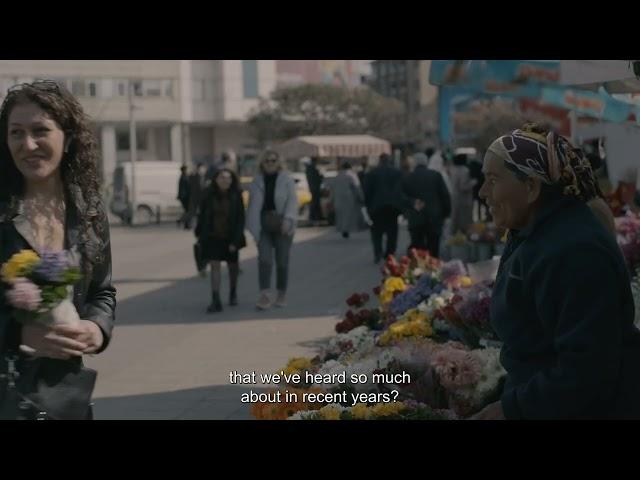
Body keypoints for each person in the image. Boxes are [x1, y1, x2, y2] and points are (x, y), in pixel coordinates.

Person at [471, 123, 640, 420]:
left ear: (531, 187)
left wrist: (512, 408)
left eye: (493, 180)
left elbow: (587, 370)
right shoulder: (533, 232)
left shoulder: (575, 251)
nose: (483, 192)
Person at [0, 80, 116, 420]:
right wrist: (17, 333)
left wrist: (97, 329)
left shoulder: (88, 210)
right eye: (16, 133)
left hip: (65, 398)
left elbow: (102, 292)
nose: (28, 144)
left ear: (68, 139)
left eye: (40, 131)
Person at [246, 150, 297, 310]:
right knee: (264, 260)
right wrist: (252, 226)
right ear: (262, 163)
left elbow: (292, 201)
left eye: (273, 160)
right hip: (263, 224)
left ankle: (281, 293)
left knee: (282, 261)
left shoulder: (287, 180)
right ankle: (265, 295)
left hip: (282, 222)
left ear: (278, 162)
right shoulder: (256, 181)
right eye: (267, 161)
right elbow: (252, 206)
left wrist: (288, 219)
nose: (270, 163)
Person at [195, 169, 246, 313]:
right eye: (222, 177)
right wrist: (199, 233)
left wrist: (235, 241)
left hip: (231, 237)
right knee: (215, 266)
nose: (225, 180)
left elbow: (240, 219)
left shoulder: (236, 195)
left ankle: (233, 292)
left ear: (232, 180)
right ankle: (215, 299)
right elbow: (202, 215)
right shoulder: (208, 195)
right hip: (213, 237)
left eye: (228, 178)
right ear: (216, 180)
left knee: (233, 267)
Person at [401, 153, 451, 257]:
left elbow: (401, 197)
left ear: (414, 163)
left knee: (418, 249)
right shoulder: (436, 175)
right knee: (433, 247)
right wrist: (446, 213)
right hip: (434, 217)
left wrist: (412, 203)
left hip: (415, 218)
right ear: (426, 162)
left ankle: (420, 265)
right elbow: (445, 196)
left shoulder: (408, 176)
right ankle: (433, 264)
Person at [363, 153, 404, 264]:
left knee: (376, 232)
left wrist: (367, 206)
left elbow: (367, 191)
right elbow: (402, 190)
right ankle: (390, 254)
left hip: (376, 207)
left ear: (379, 161)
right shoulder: (397, 172)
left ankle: (378, 253)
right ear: (389, 160)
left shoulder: (372, 173)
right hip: (392, 207)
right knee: (392, 232)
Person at [330, 161, 364, 239]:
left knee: (341, 215)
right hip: (349, 199)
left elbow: (332, 189)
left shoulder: (337, 176)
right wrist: (361, 197)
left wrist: (331, 200)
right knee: (348, 216)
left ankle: (343, 229)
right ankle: (347, 229)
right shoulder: (352, 175)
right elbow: (357, 187)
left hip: (338, 199)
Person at [449, 153, 476, 235]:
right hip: (463, 199)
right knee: (464, 220)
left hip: (454, 197)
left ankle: (454, 236)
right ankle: (464, 237)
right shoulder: (465, 170)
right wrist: (473, 182)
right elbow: (463, 186)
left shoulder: (453, 169)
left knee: (455, 218)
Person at [185, 162, 207, 230]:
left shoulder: (203, 177)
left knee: (198, 212)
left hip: (200, 197)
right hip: (194, 196)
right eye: (202, 168)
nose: (203, 170)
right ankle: (188, 225)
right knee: (192, 211)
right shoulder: (194, 176)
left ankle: (195, 224)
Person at [305, 157, 324, 225]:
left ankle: (316, 216)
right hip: (315, 188)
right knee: (315, 203)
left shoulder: (309, 168)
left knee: (315, 203)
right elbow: (317, 179)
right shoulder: (313, 168)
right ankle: (314, 217)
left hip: (312, 188)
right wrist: (321, 176)